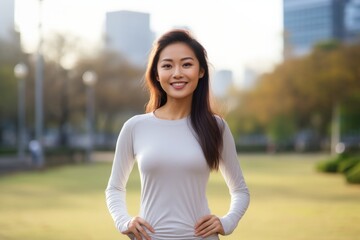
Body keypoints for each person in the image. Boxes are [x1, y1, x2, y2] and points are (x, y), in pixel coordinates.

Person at [105, 29, 250, 240]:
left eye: (187, 64)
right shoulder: (135, 127)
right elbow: (114, 188)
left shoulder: (216, 126)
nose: (177, 73)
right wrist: (124, 221)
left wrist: (227, 221)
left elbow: (240, 190)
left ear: (201, 71)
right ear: (156, 74)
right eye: (167, 65)